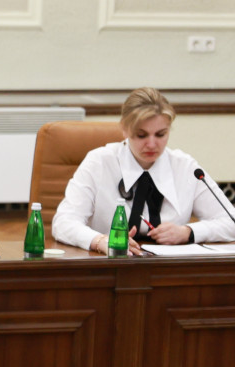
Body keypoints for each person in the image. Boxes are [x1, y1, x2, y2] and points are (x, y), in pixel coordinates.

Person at [52, 87, 235, 254]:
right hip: (107, 266)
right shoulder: (99, 162)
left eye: (161, 134)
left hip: (169, 269)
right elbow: (63, 222)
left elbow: (230, 221)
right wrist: (100, 241)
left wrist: (188, 232)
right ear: (125, 130)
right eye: (141, 135)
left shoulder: (185, 167)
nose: (152, 144)